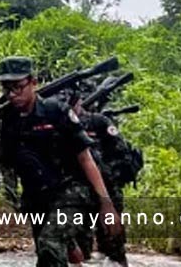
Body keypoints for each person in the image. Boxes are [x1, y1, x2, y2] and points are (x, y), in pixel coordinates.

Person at [0, 57, 122, 267]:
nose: (13, 94)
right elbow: (7, 161)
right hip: (38, 197)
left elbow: (85, 157)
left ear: (33, 82)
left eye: (18, 87)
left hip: (72, 192)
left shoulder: (56, 111)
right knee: (61, 251)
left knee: (50, 244)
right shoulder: (9, 119)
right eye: (7, 89)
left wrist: (106, 204)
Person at [70, 94, 130, 267]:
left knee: (113, 241)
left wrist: (107, 173)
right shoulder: (62, 124)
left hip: (108, 188)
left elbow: (121, 152)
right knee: (80, 243)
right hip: (77, 190)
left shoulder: (99, 122)